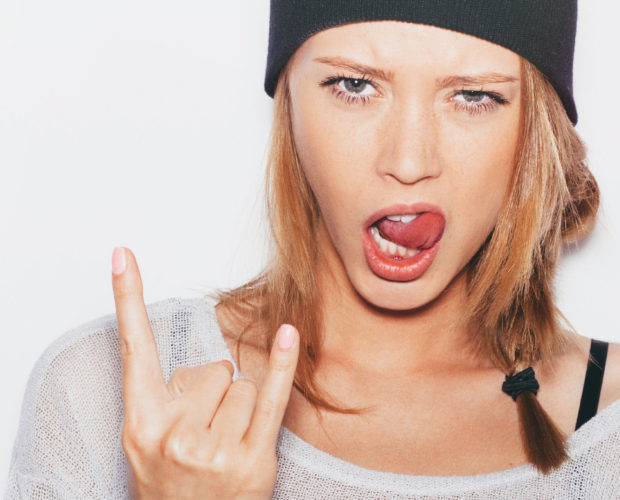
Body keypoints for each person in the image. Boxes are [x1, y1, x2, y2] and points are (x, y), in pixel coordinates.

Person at [5, 1, 620, 499]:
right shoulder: (105, 394)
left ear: (535, 127)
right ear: (289, 99)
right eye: (354, 85)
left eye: (474, 97)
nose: (409, 161)